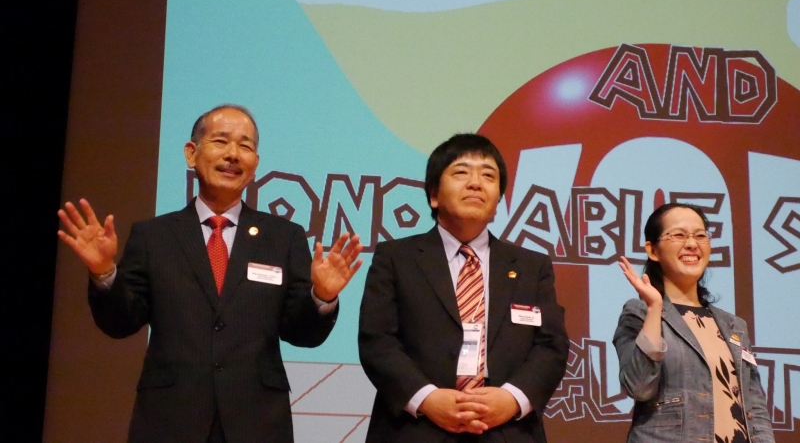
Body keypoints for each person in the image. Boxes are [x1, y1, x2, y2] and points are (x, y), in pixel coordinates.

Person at [57, 104, 363, 443]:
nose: (233, 154)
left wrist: (322, 296)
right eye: (220, 141)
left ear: (255, 164)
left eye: (245, 146)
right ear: (191, 153)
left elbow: (302, 332)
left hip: (257, 422)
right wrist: (104, 272)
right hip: (170, 419)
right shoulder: (154, 236)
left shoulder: (283, 237)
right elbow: (121, 322)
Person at [358, 133, 570, 442]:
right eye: (461, 173)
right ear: (434, 195)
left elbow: (551, 346)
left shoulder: (531, 266)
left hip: (507, 430)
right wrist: (427, 398)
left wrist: (512, 398)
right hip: (417, 428)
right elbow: (377, 341)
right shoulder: (396, 258)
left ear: (497, 203)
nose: (475, 184)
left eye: (488, 176)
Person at [613, 203, 775, 443]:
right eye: (679, 235)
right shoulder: (640, 312)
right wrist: (655, 308)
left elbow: (754, 405)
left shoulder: (733, 325)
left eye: (700, 235)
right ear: (653, 250)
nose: (692, 244)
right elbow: (639, 387)